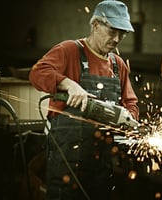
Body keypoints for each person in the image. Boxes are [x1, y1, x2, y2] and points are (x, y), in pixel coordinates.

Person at [29, 0, 139, 199]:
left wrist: (129, 120)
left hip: (102, 166)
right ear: (96, 25)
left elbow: (130, 103)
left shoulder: (117, 65)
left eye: (122, 34)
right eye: (112, 31)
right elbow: (37, 74)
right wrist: (68, 84)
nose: (117, 39)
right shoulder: (70, 50)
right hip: (66, 165)